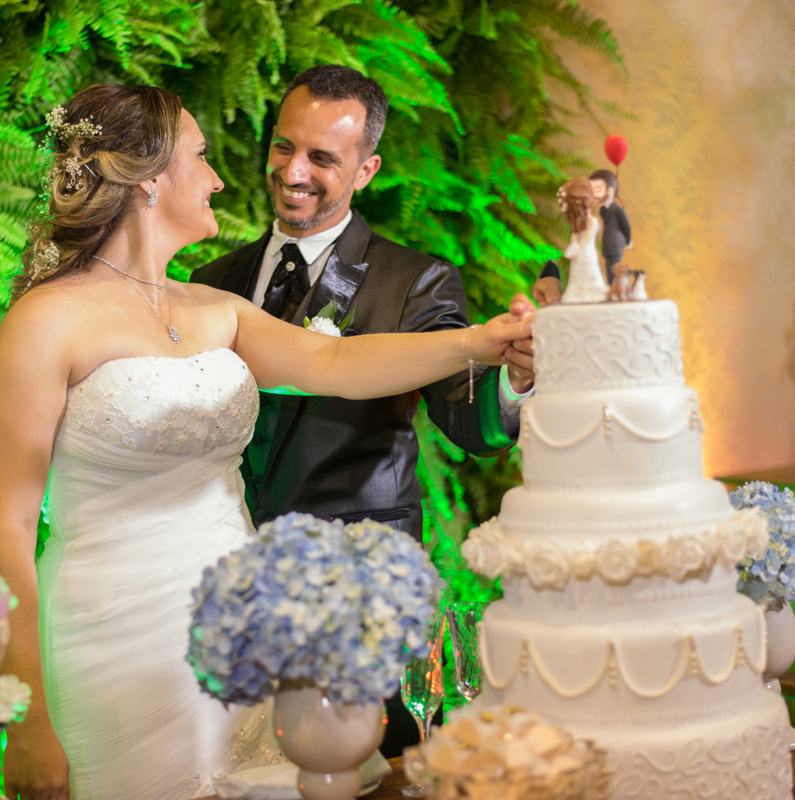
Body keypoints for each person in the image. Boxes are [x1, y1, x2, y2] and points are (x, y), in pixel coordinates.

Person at [0, 83, 533, 800]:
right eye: (202, 158)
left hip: (240, 639)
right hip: (111, 641)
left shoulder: (213, 308)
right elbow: (7, 530)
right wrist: (25, 717)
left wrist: (482, 342)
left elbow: (335, 363)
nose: (218, 177)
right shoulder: (45, 324)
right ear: (148, 181)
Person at [190, 65, 538, 755]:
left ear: (366, 168)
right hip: (233, 592)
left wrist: (515, 381)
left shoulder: (416, 280)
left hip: (358, 597)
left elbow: (472, 423)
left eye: (322, 158)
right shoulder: (210, 282)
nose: (294, 171)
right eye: (284, 147)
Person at [558, 177, 606, 303]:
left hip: (586, 254)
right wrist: (572, 246)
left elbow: (585, 241)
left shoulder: (593, 222)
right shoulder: (579, 224)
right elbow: (574, 237)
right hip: (578, 256)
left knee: (590, 275)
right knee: (576, 278)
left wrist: (576, 250)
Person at [588, 168, 631, 284]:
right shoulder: (602, 210)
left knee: (616, 267)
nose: (595, 195)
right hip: (607, 243)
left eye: (598, 189)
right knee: (608, 266)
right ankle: (611, 286)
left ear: (611, 191)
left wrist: (628, 240)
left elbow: (626, 225)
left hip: (617, 243)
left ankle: (618, 286)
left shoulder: (617, 209)